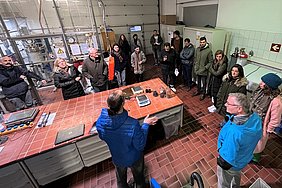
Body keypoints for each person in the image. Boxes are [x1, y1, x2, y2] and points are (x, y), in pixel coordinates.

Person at [96, 90, 158, 188]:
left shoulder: (100, 121)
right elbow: (140, 145)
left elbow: (102, 136)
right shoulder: (132, 124)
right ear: (123, 103)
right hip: (133, 157)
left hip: (117, 157)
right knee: (139, 180)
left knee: (121, 181)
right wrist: (146, 124)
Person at [217, 93, 262, 188]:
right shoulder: (255, 117)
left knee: (223, 182)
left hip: (231, 163)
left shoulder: (234, 132)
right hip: (243, 158)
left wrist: (220, 151)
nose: (225, 104)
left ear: (239, 109)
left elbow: (227, 158)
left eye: (229, 103)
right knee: (236, 174)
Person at [249, 73, 282, 162]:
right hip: (252, 120)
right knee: (250, 140)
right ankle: (249, 153)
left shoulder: (276, 101)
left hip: (261, 125)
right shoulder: (260, 91)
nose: (260, 83)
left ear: (269, 86)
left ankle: (255, 158)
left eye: (263, 82)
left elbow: (275, 120)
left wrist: (267, 130)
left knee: (258, 144)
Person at [193, 37, 213, 101]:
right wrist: (195, 66)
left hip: (204, 71)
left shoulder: (209, 51)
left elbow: (210, 62)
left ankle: (203, 94)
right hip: (197, 69)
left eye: (203, 42)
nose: (202, 43)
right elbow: (195, 58)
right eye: (201, 42)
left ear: (206, 42)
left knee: (204, 83)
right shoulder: (197, 49)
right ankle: (198, 91)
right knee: (198, 82)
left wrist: (205, 68)